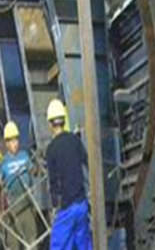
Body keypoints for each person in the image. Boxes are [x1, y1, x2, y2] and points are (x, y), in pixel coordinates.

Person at [46, 99, 93, 250]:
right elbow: (88, 162)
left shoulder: (51, 149)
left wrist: (54, 206)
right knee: (83, 244)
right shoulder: (75, 140)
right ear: (64, 120)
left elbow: (53, 183)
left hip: (67, 208)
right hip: (82, 205)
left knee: (58, 245)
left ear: (50, 124)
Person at [0, 121, 39, 250]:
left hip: (27, 202)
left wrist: (37, 165)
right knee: (14, 242)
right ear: (6, 143)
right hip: (13, 205)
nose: (14, 143)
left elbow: (34, 172)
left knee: (32, 238)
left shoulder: (24, 156)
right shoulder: (3, 163)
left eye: (16, 139)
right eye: (11, 141)